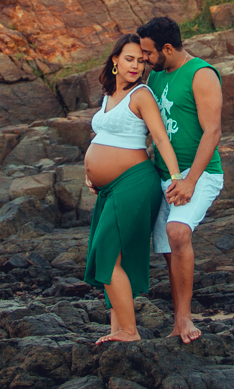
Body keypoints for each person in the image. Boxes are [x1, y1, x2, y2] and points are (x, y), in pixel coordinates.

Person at [83, 33, 184, 345]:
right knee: (115, 257)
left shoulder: (141, 94)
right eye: (129, 59)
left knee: (106, 253)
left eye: (141, 60)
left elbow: (160, 137)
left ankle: (130, 331)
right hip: (110, 188)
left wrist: (177, 176)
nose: (136, 65)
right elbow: (105, 138)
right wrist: (91, 174)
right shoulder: (109, 95)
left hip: (135, 182)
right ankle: (119, 328)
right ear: (115, 60)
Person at [136, 16, 223, 344]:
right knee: (169, 249)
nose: (145, 58)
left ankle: (185, 319)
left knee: (178, 232)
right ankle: (178, 320)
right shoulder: (156, 76)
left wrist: (190, 181)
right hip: (164, 174)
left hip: (199, 173)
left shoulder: (201, 74)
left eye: (148, 52)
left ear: (168, 48)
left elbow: (212, 131)